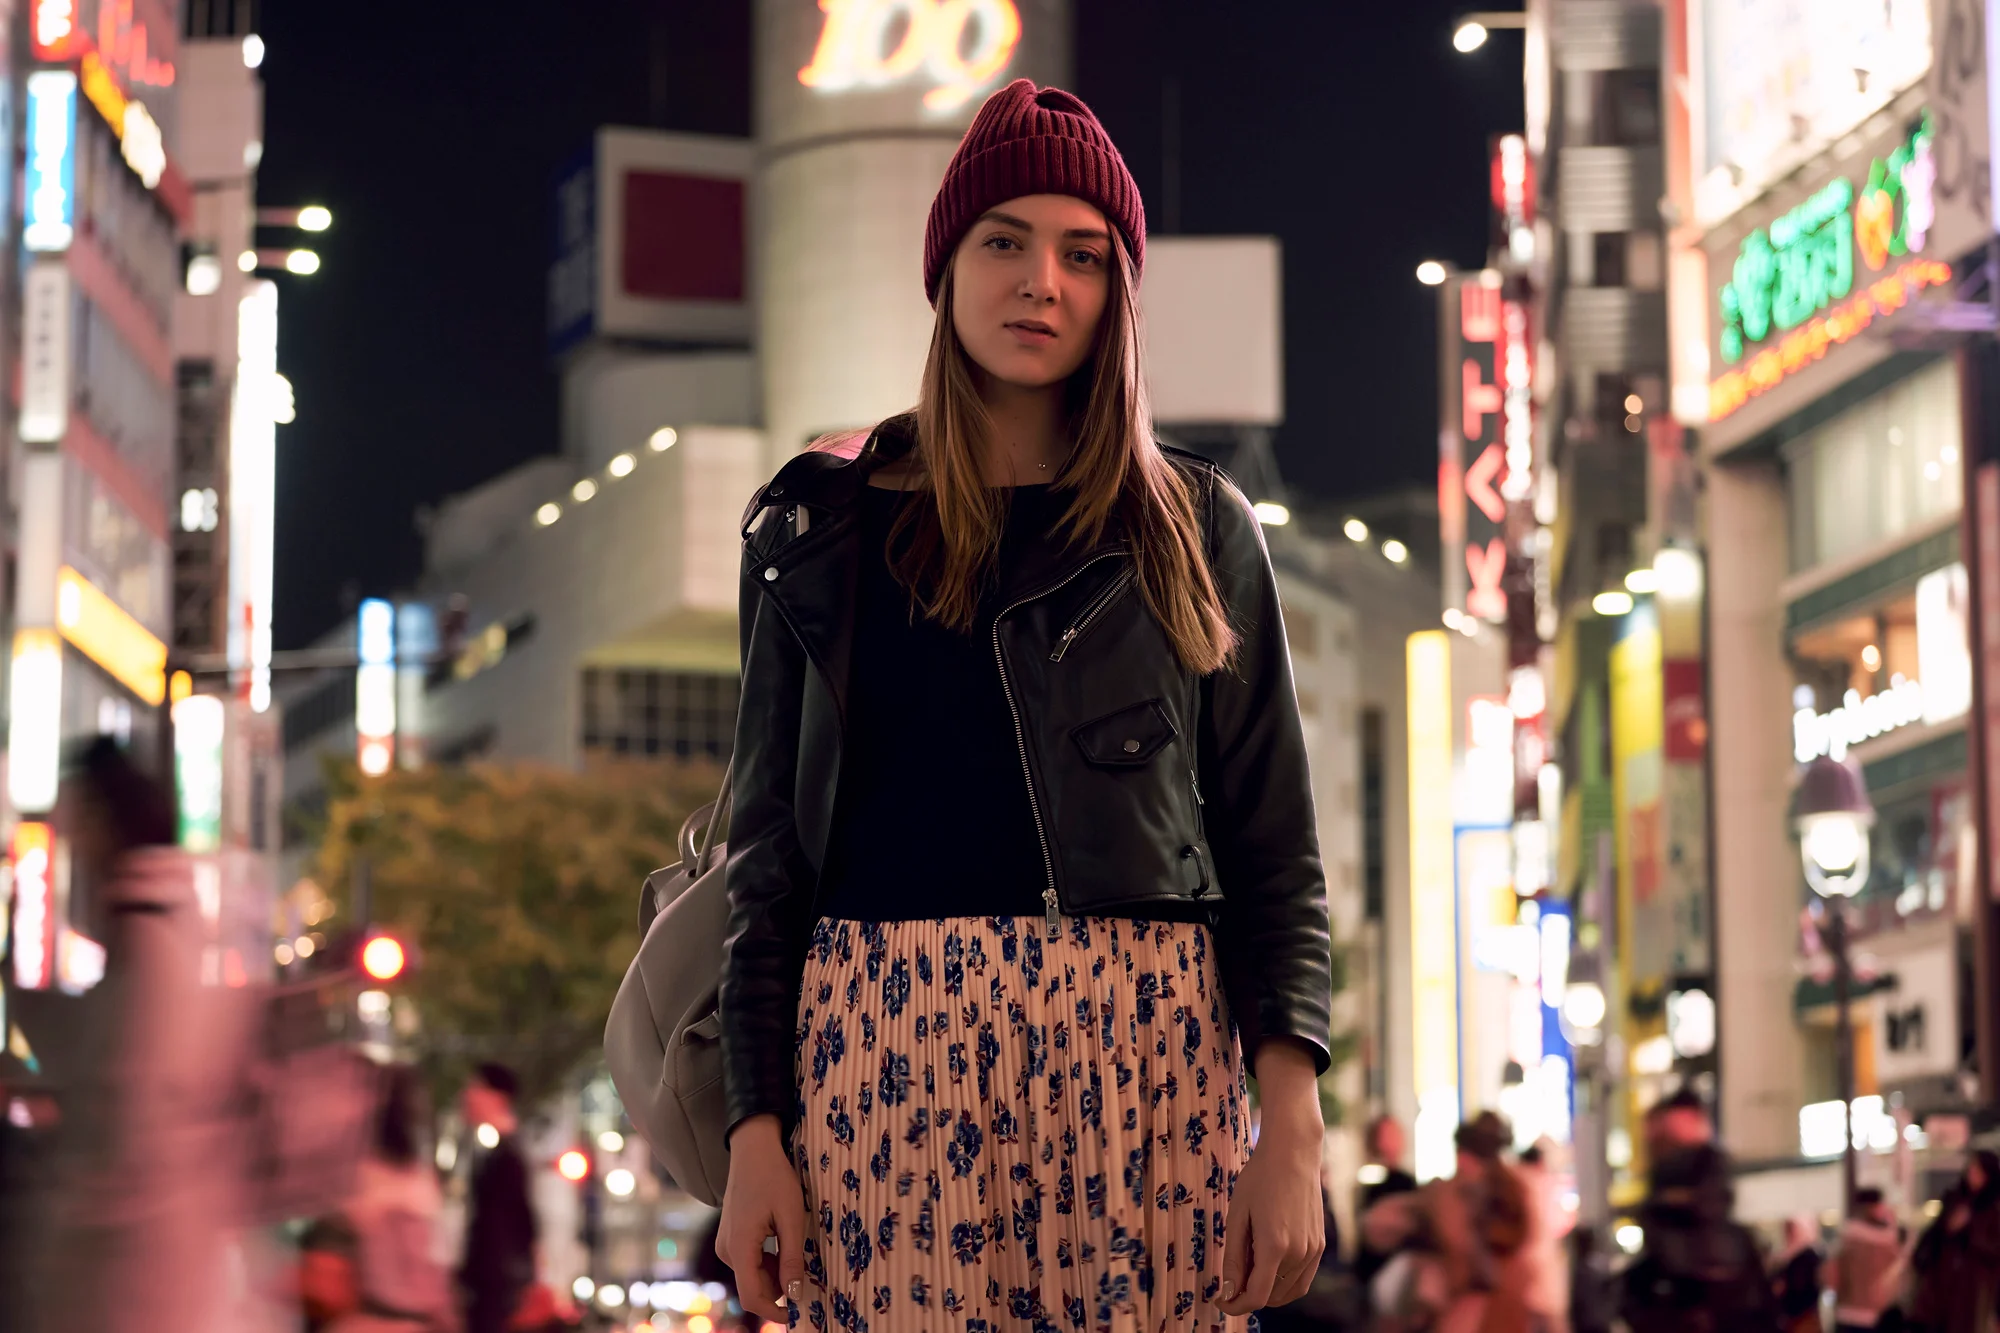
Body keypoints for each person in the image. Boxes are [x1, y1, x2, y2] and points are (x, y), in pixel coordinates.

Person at [714, 77, 1335, 1332]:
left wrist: (1292, 1122)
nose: (1039, 281)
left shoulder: (1195, 528)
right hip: (879, 1051)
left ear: (1117, 293)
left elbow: (1274, 848)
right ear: (944, 271)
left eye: (1081, 254)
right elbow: (766, 858)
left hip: (1143, 1050)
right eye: (1002, 241)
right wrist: (752, 1126)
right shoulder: (818, 528)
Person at [33, 738, 236, 1333]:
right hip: (158, 1279)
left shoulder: (148, 947)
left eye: (77, 820)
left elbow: (128, 1116)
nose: (71, 840)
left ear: (104, 821)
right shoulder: (171, 934)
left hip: (132, 1286)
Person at [302, 1065, 458, 1332]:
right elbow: (436, 1277)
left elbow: (325, 1275)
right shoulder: (422, 1182)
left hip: (375, 1319)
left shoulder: (362, 1180)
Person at [1619, 1088, 1776, 1333]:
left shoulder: (1708, 1162)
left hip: (1706, 1288)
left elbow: (1709, 1204)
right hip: (1685, 1288)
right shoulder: (1669, 1168)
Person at [1364, 1112, 1536, 1333]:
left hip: (1471, 1300)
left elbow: (1377, 1227)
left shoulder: (1454, 1192)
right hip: (1494, 1297)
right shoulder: (1511, 1189)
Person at [457, 1064, 537, 1333]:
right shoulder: (498, 1151)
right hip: (493, 1287)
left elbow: (517, 1226)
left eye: (475, 1087)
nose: (466, 1095)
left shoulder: (507, 1155)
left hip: (495, 1291)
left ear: (498, 1097)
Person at [1909, 1150, 2000, 1333]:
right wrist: (1948, 1228)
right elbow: (1931, 1241)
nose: (1972, 1174)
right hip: (1941, 1290)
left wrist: (1969, 1228)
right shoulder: (1955, 1200)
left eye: (1978, 1170)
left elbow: (1993, 1249)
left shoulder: (1993, 1208)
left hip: (1977, 1292)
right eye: (1971, 1168)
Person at [1356, 1114, 1424, 1301]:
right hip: (1373, 1271)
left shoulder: (1407, 1181)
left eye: (1394, 1134)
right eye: (1387, 1135)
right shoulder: (1370, 1180)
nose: (1392, 1141)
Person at [1825, 1190, 1906, 1333]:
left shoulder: (1846, 1241)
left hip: (1848, 1315)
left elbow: (1830, 1278)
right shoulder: (1892, 1244)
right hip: (1882, 1318)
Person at [1770, 1214, 1822, 1333]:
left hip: (1803, 1315)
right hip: (1790, 1315)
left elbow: (1803, 1286)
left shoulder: (1808, 1256)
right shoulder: (1784, 1257)